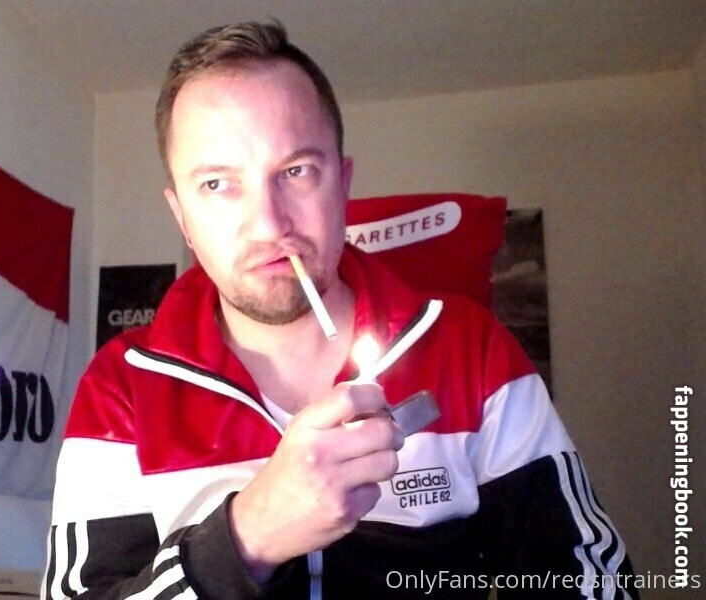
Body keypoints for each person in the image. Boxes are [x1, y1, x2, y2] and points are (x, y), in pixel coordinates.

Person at [41, 20, 638, 600]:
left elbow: (592, 579)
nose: (269, 225)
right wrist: (246, 538)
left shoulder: (469, 348)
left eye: (296, 171)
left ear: (342, 185)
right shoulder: (120, 387)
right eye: (218, 184)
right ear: (183, 218)